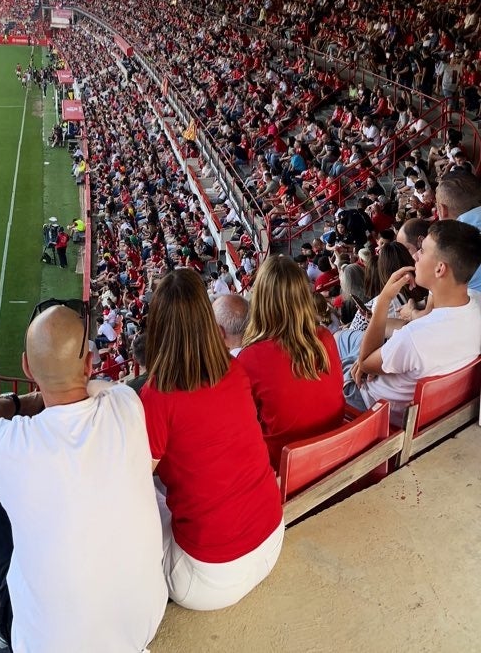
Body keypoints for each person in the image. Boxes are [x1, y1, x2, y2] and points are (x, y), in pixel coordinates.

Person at [0, 300, 163, 650]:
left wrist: (21, 404)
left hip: (46, 645)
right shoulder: (127, 404)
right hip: (141, 626)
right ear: (89, 363)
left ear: (26, 367)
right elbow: (102, 388)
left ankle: (1, 610)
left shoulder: (16, 445)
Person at [141, 270, 285, 611]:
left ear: (159, 326)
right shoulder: (235, 371)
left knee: (139, 502)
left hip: (208, 579)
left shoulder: (158, 395)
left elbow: (135, 481)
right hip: (271, 539)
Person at [349, 220, 481, 414]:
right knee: (349, 343)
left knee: (338, 343)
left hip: (369, 402)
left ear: (440, 269)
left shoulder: (415, 336)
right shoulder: (475, 304)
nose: (415, 255)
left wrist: (385, 298)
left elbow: (365, 363)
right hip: (436, 410)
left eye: (423, 251)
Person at [236, 257, 345, 463]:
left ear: (260, 301)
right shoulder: (325, 337)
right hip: (333, 450)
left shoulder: (250, 358)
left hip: (286, 464)